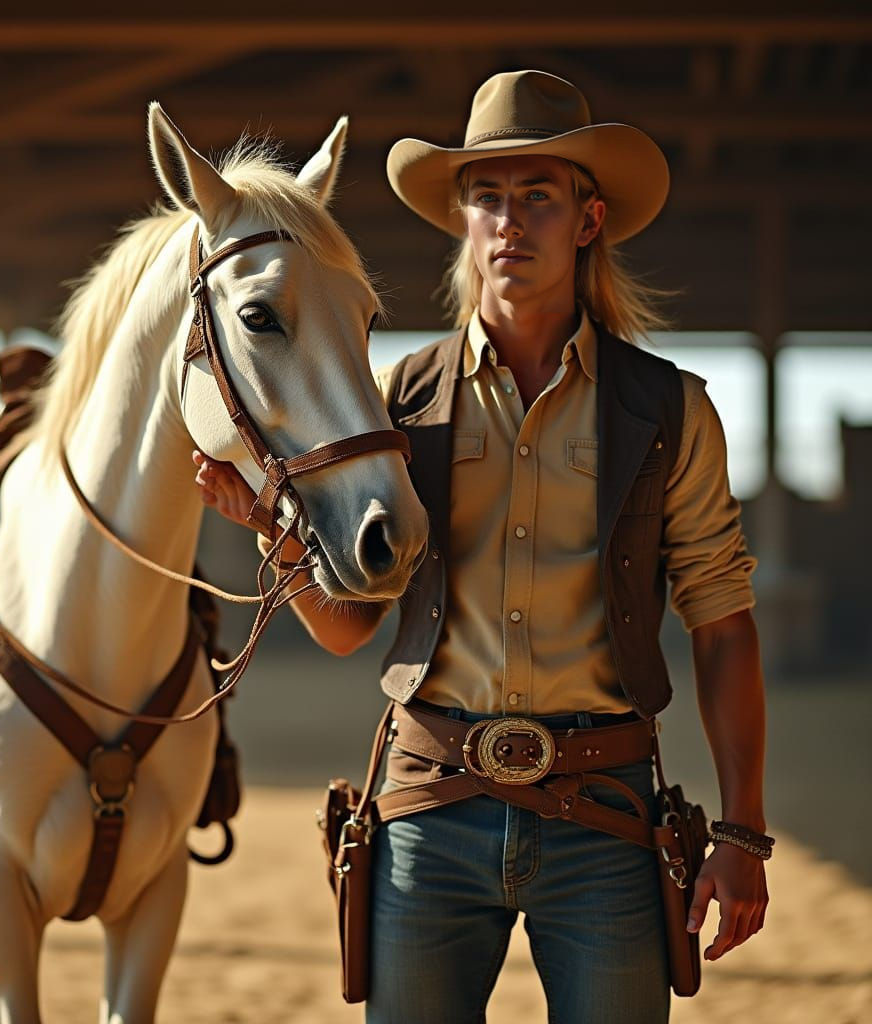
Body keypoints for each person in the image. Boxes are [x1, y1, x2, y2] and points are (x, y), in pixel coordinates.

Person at [194, 70, 770, 1023]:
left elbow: (722, 620)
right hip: (429, 807)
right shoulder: (391, 407)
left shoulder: (670, 410)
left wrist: (743, 829)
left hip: (609, 822)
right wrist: (272, 530)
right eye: (486, 197)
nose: (510, 221)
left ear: (587, 220)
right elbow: (347, 632)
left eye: (537, 196)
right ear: (462, 220)